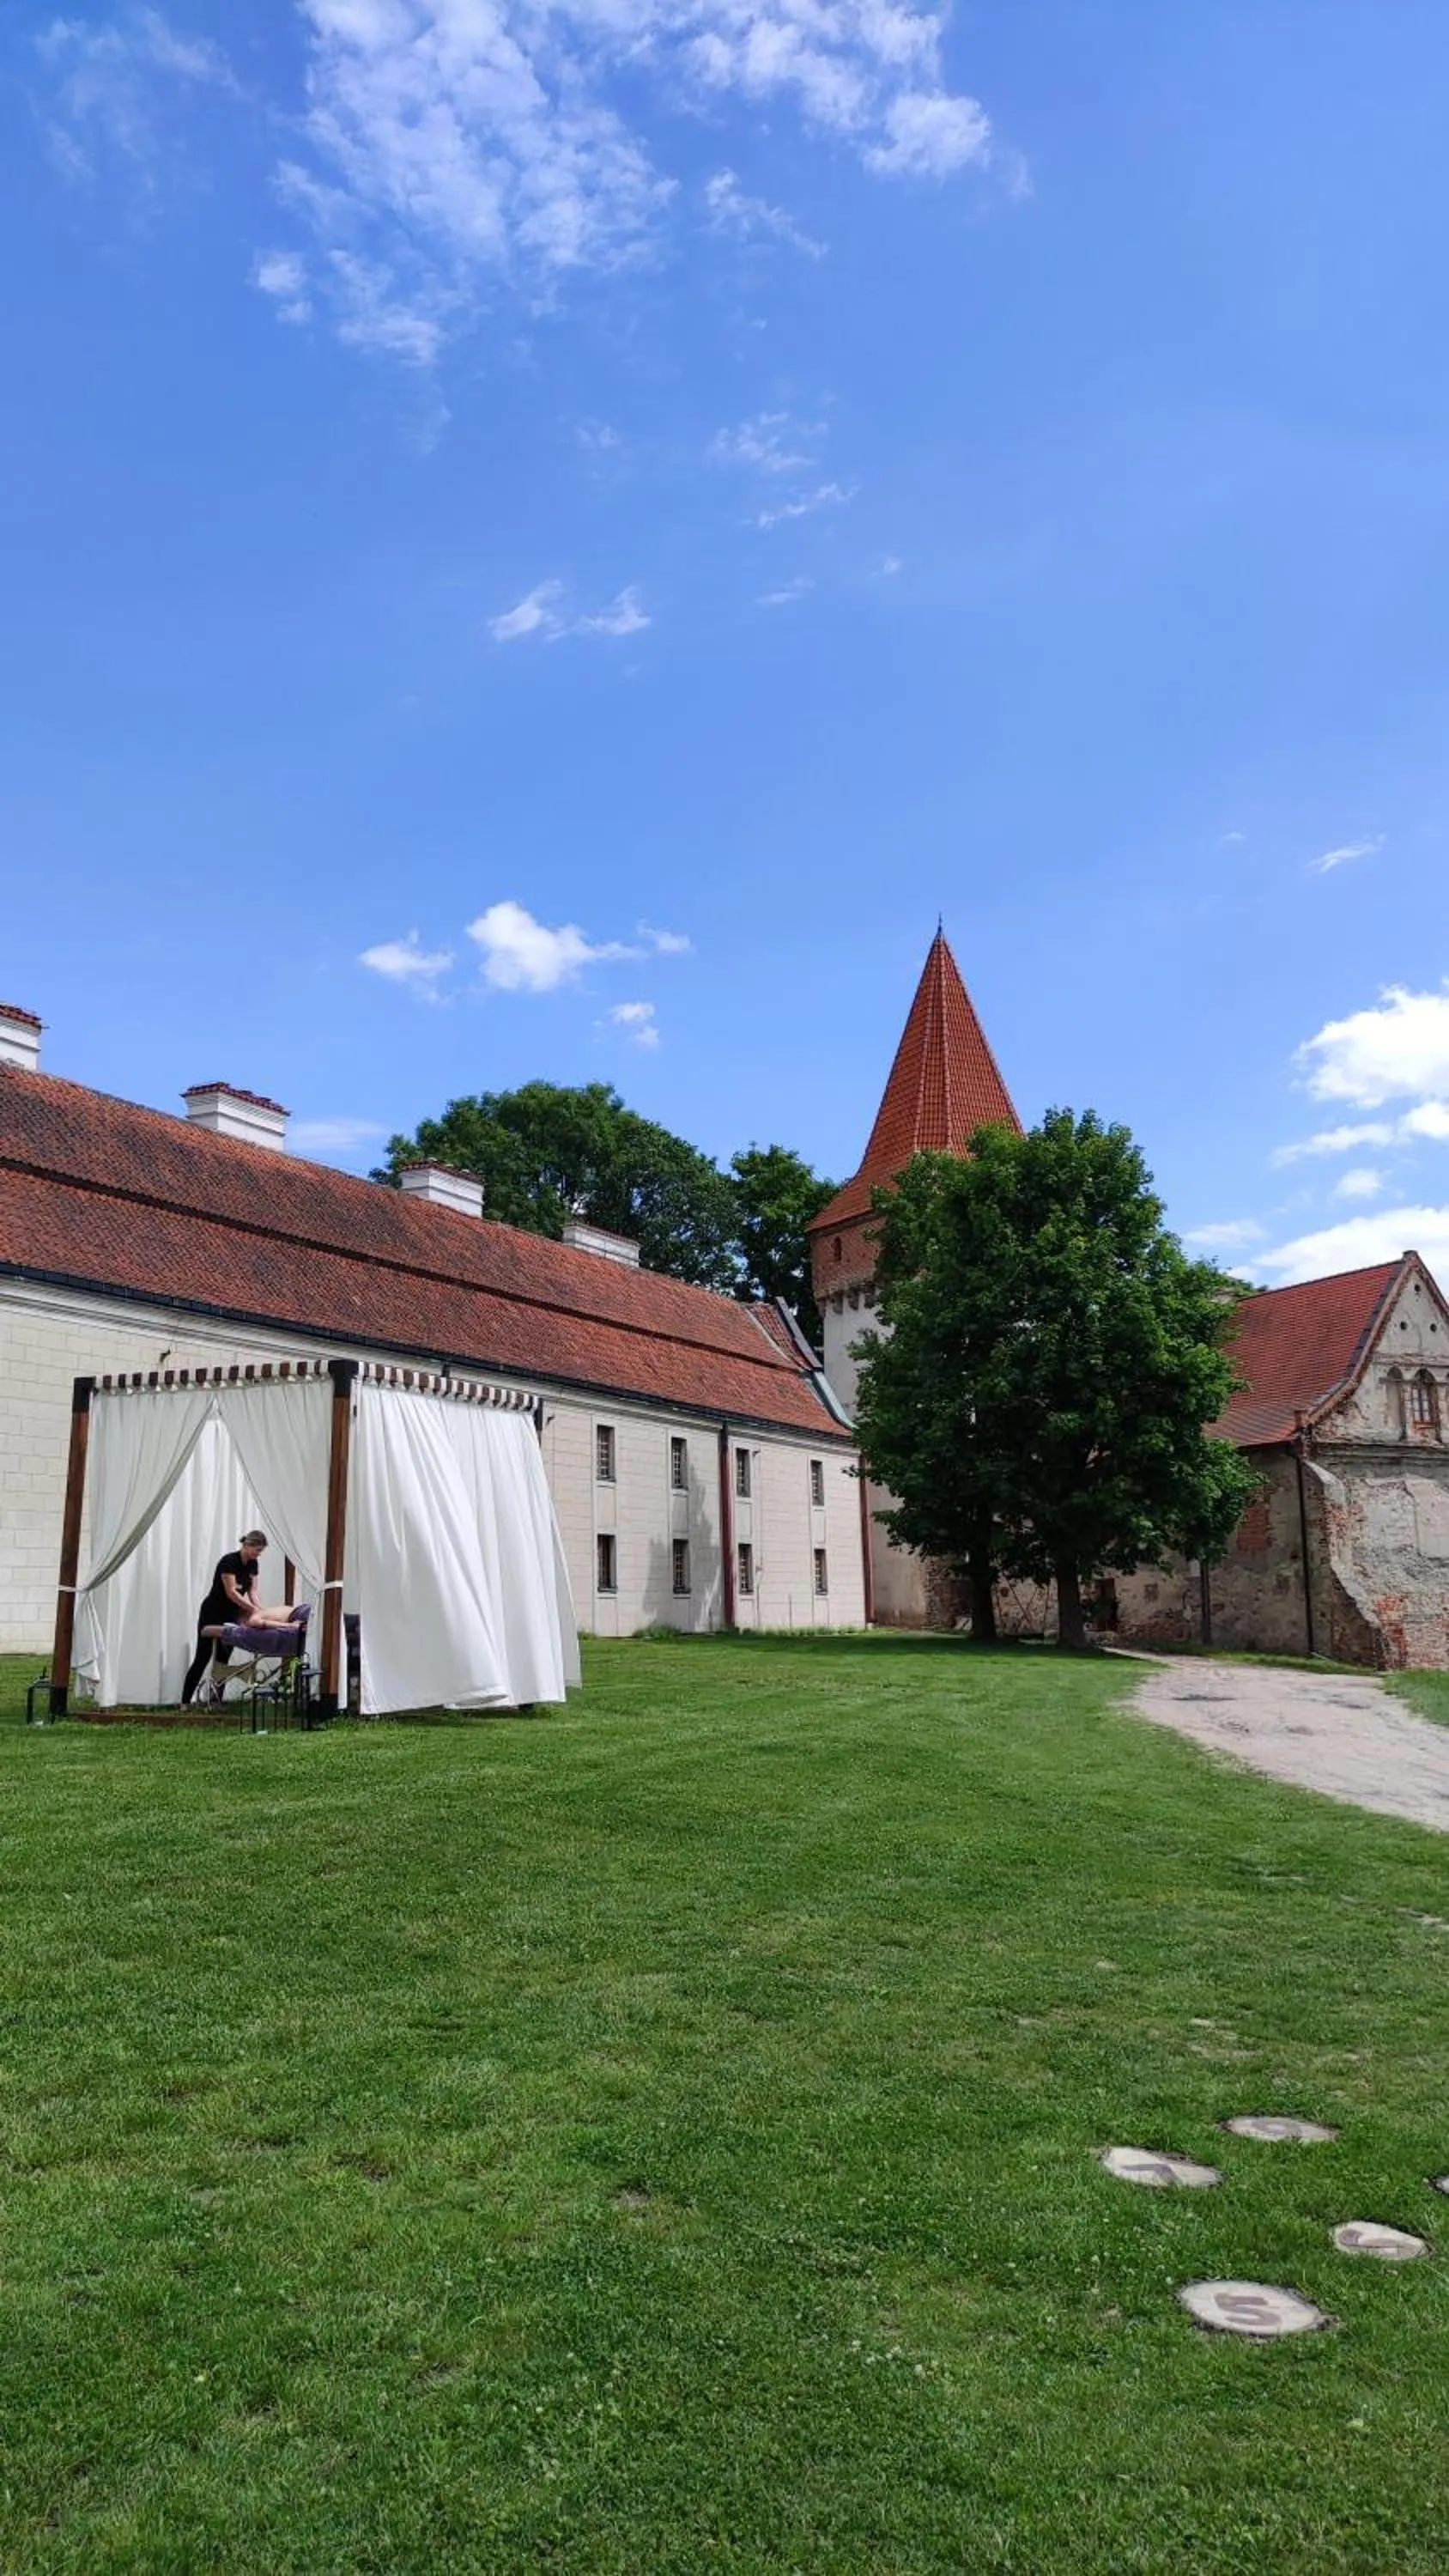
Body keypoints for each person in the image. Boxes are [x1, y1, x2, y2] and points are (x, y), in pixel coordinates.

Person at [181, 1529, 268, 1704]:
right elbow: (232, 1593)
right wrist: (252, 1609)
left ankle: (216, 1701)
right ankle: (184, 1702)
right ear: (247, 1545)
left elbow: (252, 1591)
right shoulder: (229, 1562)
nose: (259, 1554)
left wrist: (259, 1609)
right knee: (202, 1657)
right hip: (212, 1612)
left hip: (231, 1614)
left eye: (261, 1551)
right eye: (257, 1550)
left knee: (223, 1659)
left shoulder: (253, 1564)